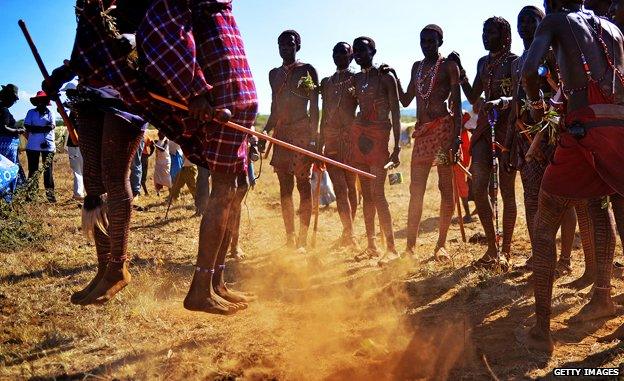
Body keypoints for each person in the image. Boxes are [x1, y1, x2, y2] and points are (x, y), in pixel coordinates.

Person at [46, 0, 258, 314]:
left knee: (114, 177)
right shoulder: (88, 7)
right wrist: (61, 74)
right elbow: (87, 52)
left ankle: (119, 268)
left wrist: (133, 46)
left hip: (126, 92)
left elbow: (156, 37)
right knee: (93, 182)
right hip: (91, 91)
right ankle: (104, 269)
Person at [521, 0, 624, 352]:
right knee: (605, 208)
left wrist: (537, 108)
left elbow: (529, 70)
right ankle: (604, 298)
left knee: (546, 218)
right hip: (619, 131)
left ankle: (541, 329)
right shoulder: (613, 29)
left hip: (583, 128)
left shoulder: (555, 20)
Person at [487, 6, 595, 284]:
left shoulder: (555, 52)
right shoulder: (518, 62)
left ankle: (566, 260)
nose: (525, 25)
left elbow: (564, 92)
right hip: (526, 138)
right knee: (532, 198)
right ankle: (540, 257)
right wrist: (510, 142)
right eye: (521, 21)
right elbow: (515, 103)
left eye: (531, 20)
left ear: (542, 22)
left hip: (555, 135)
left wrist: (548, 119)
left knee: (566, 199)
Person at [448, 17, 518, 268]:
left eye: (491, 32)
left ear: (505, 35)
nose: (485, 36)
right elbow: (472, 95)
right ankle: (492, 247)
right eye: (483, 32)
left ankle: (506, 250)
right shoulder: (483, 63)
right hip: (484, 127)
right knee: (478, 188)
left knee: (507, 190)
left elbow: (518, 96)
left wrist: (501, 102)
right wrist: (460, 69)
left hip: (508, 127)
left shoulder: (514, 62)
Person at [389, 24, 462, 261]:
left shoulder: (449, 67)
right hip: (422, 137)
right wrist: (393, 77)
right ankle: (410, 249)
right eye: (423, 41)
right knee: (415, 190)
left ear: (440, 42)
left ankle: (441, 245)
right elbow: (407, 98)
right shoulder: (416, 68)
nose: (427, 45)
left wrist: (456, 139)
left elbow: (458, 108)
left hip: (442, 134)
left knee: (444, 187)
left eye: (431, 41)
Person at [264, 30, 319, 252]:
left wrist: (314, 139)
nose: (285, 48)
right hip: (281, 134)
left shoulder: (307, 70)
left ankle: (302, 240)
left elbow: (314, 107)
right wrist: (265, 131)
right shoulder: (273, 74)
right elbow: (274, 108)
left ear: (298, 46)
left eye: (290, 44)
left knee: (303, 184)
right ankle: (290, 237)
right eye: (281, 45)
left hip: (302, 134)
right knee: (284, 189)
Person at [350, 36, 401, 264]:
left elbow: (397, 114)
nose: (359, 53)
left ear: (374, 51)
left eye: (363, 49)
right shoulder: (357, 78)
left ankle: (391, 248)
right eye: (356, 50)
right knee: (366, 195)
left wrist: (397, 148)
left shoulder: (386, 77)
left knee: (378, 193)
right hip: (360, 139)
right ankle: (371, 245)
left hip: (379, 139)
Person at [319, 42, 359, 249]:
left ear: (351, 56)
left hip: (350, 139)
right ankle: (349, 232)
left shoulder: (357, 79)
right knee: (340, 188)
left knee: (351, 187)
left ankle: (348, 232)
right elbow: (324, 114)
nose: (339, 56)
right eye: (335, 53)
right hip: (331, 139)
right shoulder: (327, 83)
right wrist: (319, 144)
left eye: (343, 52)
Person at [24, 91, 57, 203]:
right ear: (36, 102)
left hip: (48, 146)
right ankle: (31, 196)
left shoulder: (50, 112)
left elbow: (52, 126)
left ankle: (50, 196)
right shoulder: (31, 112)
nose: (41, 102)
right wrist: (43, 128)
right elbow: (27, 126)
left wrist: (36, 128)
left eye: (43, 100)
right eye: (39, 101)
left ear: (46, 102)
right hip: (32, 145)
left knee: (48, 171)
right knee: (33, 170)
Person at [65, 112, 85, 200]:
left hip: (74, 145)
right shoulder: (85, 115)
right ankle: (79, 193)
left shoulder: (73, 114)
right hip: (80, 145)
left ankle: (78, 193)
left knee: (78, 170)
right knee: (80, 170)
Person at [0, 84, 21, 165]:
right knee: (8, 168)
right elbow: (3, 127)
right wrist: (18, 130)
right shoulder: (4, 110)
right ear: (9, 98)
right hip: (6, 147)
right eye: (14, 100)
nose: (13, 103)